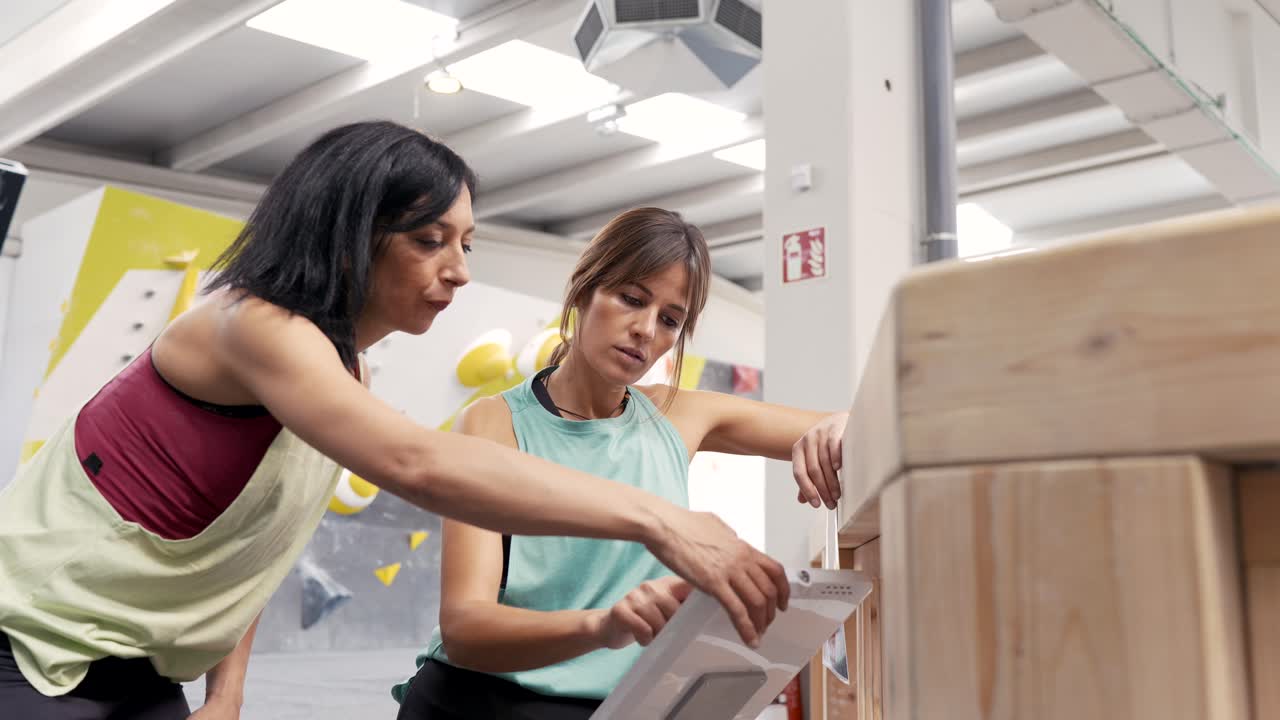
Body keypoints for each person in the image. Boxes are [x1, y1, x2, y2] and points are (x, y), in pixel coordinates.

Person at [0, 122, 788, 719]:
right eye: (428, 240)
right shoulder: (247, 325)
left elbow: (254, 541)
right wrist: (661, 523)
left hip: (140, 666)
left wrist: (227, 693)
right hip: (31, 646)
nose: (460, 269)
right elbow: (419, 466)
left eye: (467, 243)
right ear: (348, 233)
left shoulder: (344, 372)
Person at [392, 207, 847, 719]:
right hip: (482, 703)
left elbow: (854, 426)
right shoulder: (493, 424)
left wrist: (842, 423)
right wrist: (604, 626)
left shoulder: (680, 416)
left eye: (670, 319)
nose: (646, 330)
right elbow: (466, 630)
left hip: (625, 707)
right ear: (585, 290)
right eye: (631, 299)